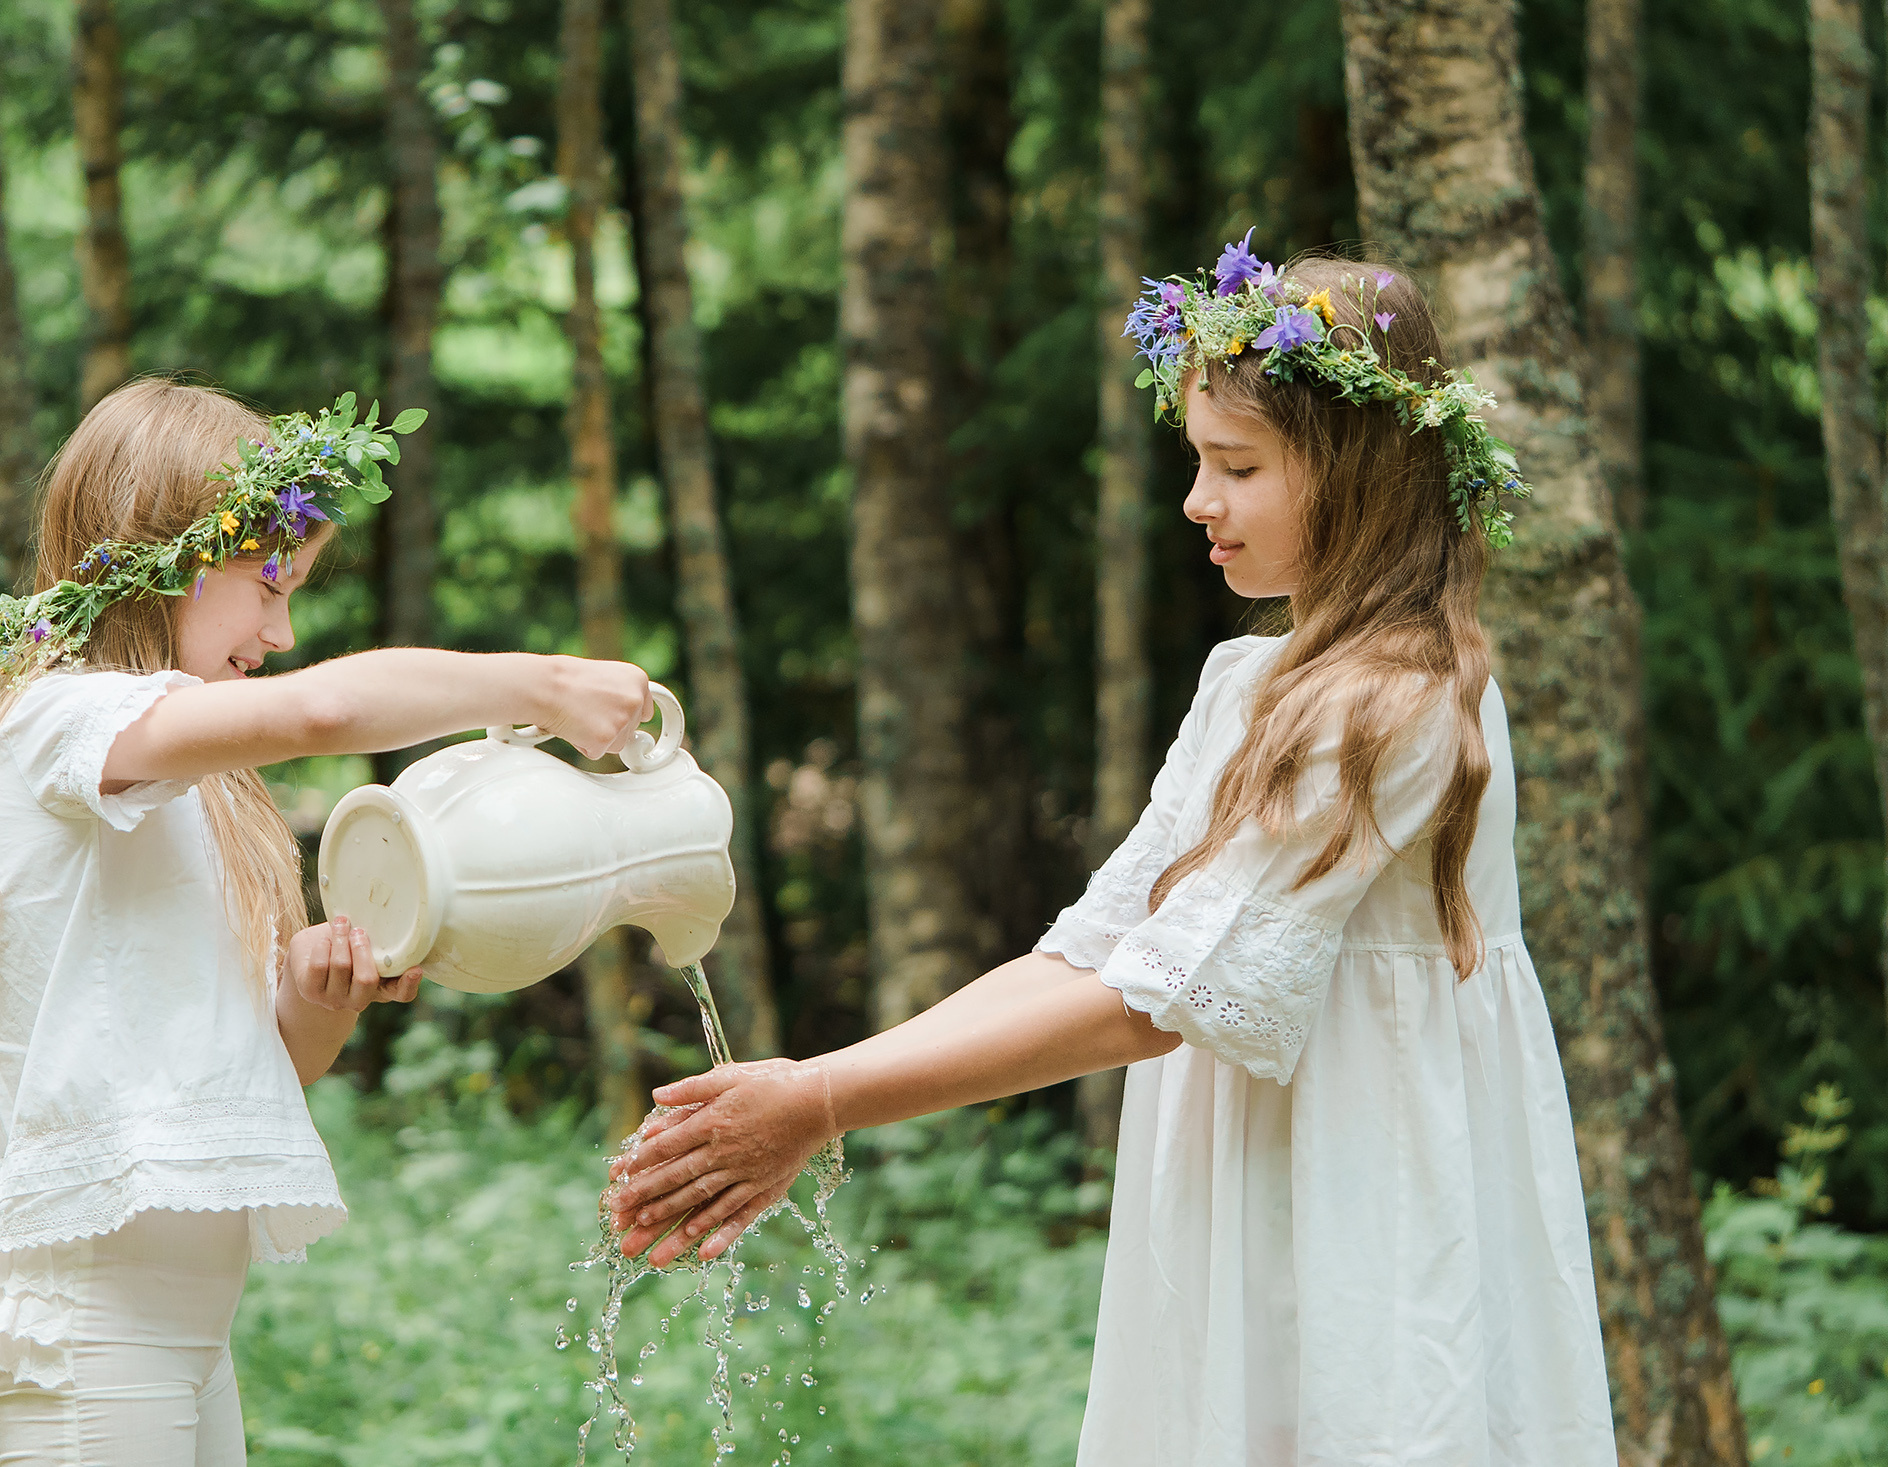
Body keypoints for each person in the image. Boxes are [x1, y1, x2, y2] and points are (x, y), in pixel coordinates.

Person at [604, 243, 1619, 1465]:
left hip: (1371, 1193)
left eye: (1238, 466)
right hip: (1253, 1185)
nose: (1198, 500)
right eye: (1199, 461)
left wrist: (820, 1105)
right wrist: (816, 1083)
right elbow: (1094, 953)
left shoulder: (1394, 703)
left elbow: (1159, 1002)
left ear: (1364, 475)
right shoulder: (1251, 679)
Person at [0, 378, 652, 1464]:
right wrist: (539, 683)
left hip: (181, 1334)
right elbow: (320, 711)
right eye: (267, 586)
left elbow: (267, 1062)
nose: (282, 628)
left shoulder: (195, 786)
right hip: (91, 1331)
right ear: (161, 553)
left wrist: (319, 999)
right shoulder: (62, 720)